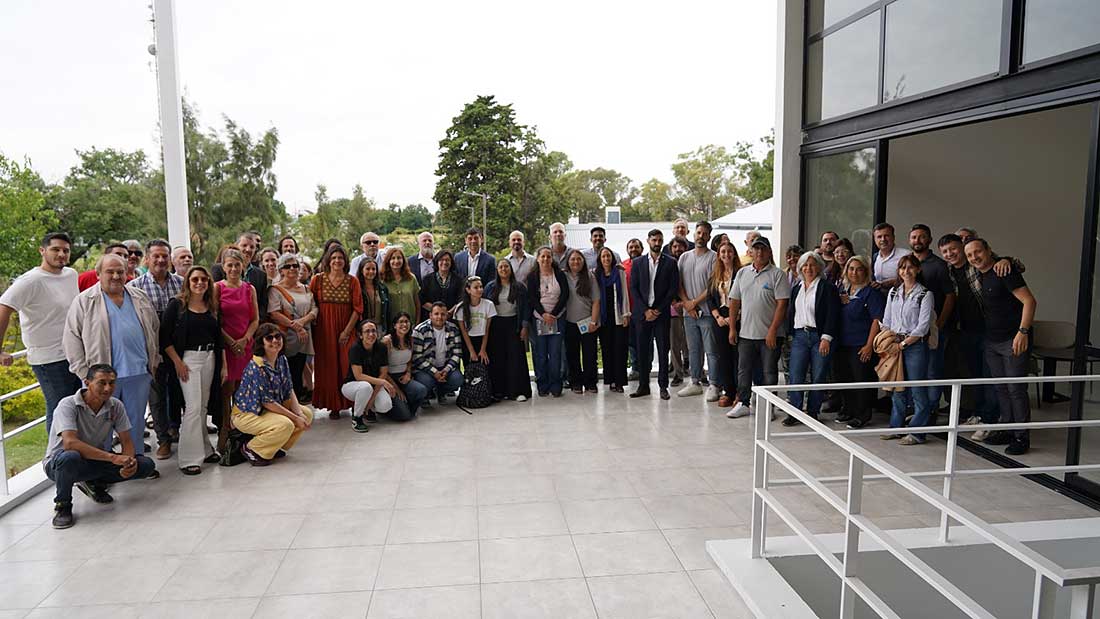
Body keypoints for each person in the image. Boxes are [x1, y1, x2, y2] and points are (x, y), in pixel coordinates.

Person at [64, 254, 161, 452]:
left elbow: (154, 328)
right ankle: (103, 466)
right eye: (110, 271)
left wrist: (154, 360)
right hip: (100, 378)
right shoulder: (84, 301)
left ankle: (133, 461)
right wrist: (84, 374)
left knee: (135, 424)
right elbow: (71, 339)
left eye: (120, 272)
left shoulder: (139, 296)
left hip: (138, 373)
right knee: (100, 427)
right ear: (98, 274)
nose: (116, 276)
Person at [43, 364, 158, 528]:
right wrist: (113, 458)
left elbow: (126, 440)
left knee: (146, 465)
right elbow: (70, 443)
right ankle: (63, 506)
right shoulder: (67, 405)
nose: (107, 388)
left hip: (96, 460)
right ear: (87, 383)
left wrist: (128, 462)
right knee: (70, 457)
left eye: (112, 383)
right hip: (61, 464)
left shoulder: (115, 405)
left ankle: (93, 482)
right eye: (101, 383)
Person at [0, 232, 81, 435]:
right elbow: (4, 308)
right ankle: (56, 453)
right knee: (59, 409)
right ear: (42, 251)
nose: (61, 254)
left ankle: (73, 451)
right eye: (55, 249)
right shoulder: (30, 280)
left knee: (75, 407)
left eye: (65, 250)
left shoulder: (71, 275)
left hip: (74, 354)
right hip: (48, 359)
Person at [965, 238, 1037, 455]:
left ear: (988, 250)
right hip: (992, 340)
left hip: (1013, 339)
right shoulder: (979, 275)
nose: (974, 257)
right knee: (1001, 388)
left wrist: (1022, 332)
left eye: (978, 252)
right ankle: (1006, 428)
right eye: (970, 255)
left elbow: (1029, 301)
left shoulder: (1005, 271)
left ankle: (1021, 437)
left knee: (1016, 389)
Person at [938, 234, 1008, 438]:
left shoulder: (977, 266)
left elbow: (1000, 263)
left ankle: (990, 419)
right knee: (975, 375)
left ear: (962, 247)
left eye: (953, 249)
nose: (950, 254)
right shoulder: (948, 270)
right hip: (966, 330)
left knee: (989, 376)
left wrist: (1007, 260)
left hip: (989, 330)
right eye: (945, 251)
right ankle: (980, 414)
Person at [160, 266, 223, 475]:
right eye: (195, 279)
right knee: (193, 408)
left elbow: (218, 338)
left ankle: (205, 449)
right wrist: (178, 362)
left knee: (202, 407)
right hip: (188, 360)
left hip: (209, 357)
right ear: (187, 282)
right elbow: (164, 338)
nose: (200, 283)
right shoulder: (177, 305)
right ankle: (188, 459)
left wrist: (223, 365)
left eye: (204, 279)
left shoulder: (211, 305)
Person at [128, 239, 185, 460]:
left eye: (164, 256)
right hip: (151, 350)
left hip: (178, 348)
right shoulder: (135, 287)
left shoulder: (181, 283)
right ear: (147, 259)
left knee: (179, 391)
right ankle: (163, 440)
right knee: (157, 396)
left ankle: (177, 429)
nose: (161, 260)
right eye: (156, 256)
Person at [231, 324, 314, 465]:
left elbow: (289, 388)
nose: (275, 340)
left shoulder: (282, 360)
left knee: (306, 414)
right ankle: (253, 448)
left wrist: (299, 414)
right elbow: (267, 402)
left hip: (267, 409)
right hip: (248, 414)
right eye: (269, 338)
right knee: (286, 424)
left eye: (278, 336)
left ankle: (273, 446)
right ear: (261, 343)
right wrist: (295, 417)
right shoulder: (257, 367)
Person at [726, 236, 790, 419]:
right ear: (751, 252)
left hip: (770, 335)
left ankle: (768, 406)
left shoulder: (778, 274)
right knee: (744, 370)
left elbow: (782, 305)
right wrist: (732, 328)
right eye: (756, 249)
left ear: (769, 252)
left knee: (769, 372)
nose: (759, 252)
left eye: (763, 249)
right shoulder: (742, 273)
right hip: (746, 334)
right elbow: (734, 301)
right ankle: (743, 403)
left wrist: (772, 330)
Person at [879, 254, 934, 445]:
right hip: (894, 344)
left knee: (917, 389)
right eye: (903, 268)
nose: (906, 271)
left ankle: (917, 433)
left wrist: (903, 344)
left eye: (910, 267)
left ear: (918, 269)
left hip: (914, 345)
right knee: (898, 388)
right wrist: (888, 340)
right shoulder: (893, 292)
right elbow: (886, 320)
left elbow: (923, 327)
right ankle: (896, 427)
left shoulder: (925, 294)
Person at [780, 252, 840, 427]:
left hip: (819, 337)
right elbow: (792, 312)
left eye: (813, 264)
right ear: (800, 268)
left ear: (819, 267)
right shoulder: (796, 288)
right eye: (805, 265)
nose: (808, 268)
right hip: (800, 336)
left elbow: (832, 314)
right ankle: (795, 412)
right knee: (795, 374)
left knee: (818, 375)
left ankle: (813, 412)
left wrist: (826, 338)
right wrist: (790, 333)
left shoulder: (827, 287)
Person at [310, 244, 363, 418]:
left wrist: (346, 332)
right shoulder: (317, 280)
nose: (337, 261)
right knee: (328, 367)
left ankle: (352, 402)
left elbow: (357, 309)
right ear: (328, 260)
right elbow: (311, 305)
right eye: (333, 258)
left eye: (340, 258)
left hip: (346, 329)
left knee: (347, 365)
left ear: (345, 261)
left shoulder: (352, 281)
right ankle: (334, 406)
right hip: (324, 331)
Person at [833, 255, 885, 429]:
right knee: (845, 378)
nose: (854, 272)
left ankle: (862, 415)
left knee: (861, 379)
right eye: (851, 269)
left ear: (866, 271)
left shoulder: (871, 292)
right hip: (842, 344)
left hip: (861, 344)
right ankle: (848, 410)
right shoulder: (843, 290)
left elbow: (877, 320)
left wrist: (869, 345)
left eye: (859, 269)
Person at [908, 224, 956, 412]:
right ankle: (917, 409)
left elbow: (950, 296)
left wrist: (939, 323)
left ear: (929, 240)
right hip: (912, 330)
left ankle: (932, 409)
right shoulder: (908, 263)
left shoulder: (939, 265)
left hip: (934, 328)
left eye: (922, 237)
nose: (917, 240)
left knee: (932, 370)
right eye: (914, 237)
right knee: (915, 371)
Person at [215, 249, 259, 448]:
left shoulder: (250, 289)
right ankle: (225, 431)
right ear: (223, 267)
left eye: (237, 265)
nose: (233, 268)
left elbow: (255, 319)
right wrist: (231, 342)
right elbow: (214, 319)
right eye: (229, 265)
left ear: (243, 266)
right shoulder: (217, 288)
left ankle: (243, 433)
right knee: (226, 393)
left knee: (243, 392)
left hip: (245, 346)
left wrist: (245, 339)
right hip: (226, 347)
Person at [629, 229, 679, 400]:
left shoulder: (670, 263)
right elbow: (633, 288)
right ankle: (643, 386)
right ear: (648, 241)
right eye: (654, 240)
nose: (657, 243)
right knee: (643, 351)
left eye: (659, 240)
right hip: (642, 314)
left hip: (661, 314)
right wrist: (645, 310)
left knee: (663, 350)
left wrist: (658, 310)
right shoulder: (638, 263)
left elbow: (672, 289)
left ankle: (663, 387)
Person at [677, 221, 722, 402]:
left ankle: (714, 385)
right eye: (698, 232)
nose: (700, 236)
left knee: (711, 351)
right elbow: (678, 283)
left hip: (707, 313)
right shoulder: (684, 257)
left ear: (709, 236)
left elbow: (712, 286)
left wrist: (694, 303)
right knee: (693, 350)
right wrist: (687, 304)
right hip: (689, 314)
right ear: (693, 234)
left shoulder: (714, 258)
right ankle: (695, 382)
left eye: (704, 233)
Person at [268, 253, 318, 400]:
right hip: (286, 338)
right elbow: (274, 313)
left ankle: (296, 407)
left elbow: (315, 309)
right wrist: (296, 327)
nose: (292, 269)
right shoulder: (275, 289)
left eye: (295, 265)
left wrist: (302, 323)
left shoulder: (306, 288)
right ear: (281, 270)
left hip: (304, 337)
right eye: (287, 266)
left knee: (298, 372)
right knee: (285, 374)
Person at [486, 259, 532, 401]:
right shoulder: (490, 287)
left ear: (511, 269)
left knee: (516, 358)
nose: (504, 269)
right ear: (497, 270)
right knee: (498, 358)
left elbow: (526, 307)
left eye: (506, 266)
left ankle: (517, 391)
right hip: (496, 325)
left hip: (514, 324)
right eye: (501, 267)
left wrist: (524, 326)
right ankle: (499, 391)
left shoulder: (519, 287)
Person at [527, 246, 570, 397]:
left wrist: (553, 314)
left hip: (558, 318)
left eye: (548, 256)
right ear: (538, 259)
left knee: (555, 353)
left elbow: (565, 294)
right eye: (543, 256)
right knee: (540, 354)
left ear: (552, 259)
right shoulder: (532, 276)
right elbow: (531, 297)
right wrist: (543, 314)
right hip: (539, 319)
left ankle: (556, 385)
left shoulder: (559, 274)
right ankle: (542, 385)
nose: (545, 259)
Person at [342, 320, 394, 432]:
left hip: (374, 384)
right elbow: (359, 376)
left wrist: (371, 400)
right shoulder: (355, 348)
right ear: (360, 335)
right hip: (352, 385)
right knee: (365, 387)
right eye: (367, 331)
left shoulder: (381, 347)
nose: (371, 334)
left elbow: (383, 373)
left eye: (373, 331)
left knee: (385, 406)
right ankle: (357, 418)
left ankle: (367, 409)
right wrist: (383, 382)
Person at [707, 240, 742, 407]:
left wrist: (734, 317)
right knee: (723, 357)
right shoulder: (715, 275)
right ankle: (728, 392)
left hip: (738, 318)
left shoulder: (741, 273)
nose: (726, 254)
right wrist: (718, 317)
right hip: (719, 320)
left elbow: (745, 297)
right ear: (719, 255)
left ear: (734, 254)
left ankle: (740, 393)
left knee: (738, 357)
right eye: (723, 252)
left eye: (729, 251)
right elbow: (710, 299)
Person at [562, 249, 601, 394]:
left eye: (579, 259)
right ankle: (576, 382)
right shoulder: (563, 276)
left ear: (583, 261)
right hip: (569, 322)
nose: (576, 262)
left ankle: (591, 382)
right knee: (572, 354)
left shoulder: (590, 276)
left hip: (587, 322)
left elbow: (596, 301)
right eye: (572, 259)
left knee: (590, 355)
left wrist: (593, 322)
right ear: (568, 261)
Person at [412, 303, 465, 403]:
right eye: (436, 314)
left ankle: (441, 392)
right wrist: (434, 372)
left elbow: (457, 354)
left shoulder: (453, 329)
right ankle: (426, 394)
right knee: (426, 382)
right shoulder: (420, 330)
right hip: (425, 369)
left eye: (443, 314)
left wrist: (446, 369)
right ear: (430, 315)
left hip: (445, 367)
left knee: (458, 379)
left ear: (447, 315)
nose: (439, 317)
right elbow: (417, 357)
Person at [595, 246, 629, 393]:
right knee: (607, 350)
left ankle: (619, 382)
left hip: (618, 317)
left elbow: (625, 294)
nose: (606, 259)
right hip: (603, 319)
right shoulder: (596, 274)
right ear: (599, 259)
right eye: (603, 256)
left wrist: (626, 314)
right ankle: (611, 381)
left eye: (608, 256)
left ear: (612, 258)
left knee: (620, 350)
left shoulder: (620, 272)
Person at [382, 312, 429, 420]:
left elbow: (409, 361)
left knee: (421, 390)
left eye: (407, 321)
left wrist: (408, 373)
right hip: (388, 378)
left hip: (403, 377)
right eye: (401, 322)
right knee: (405, 416)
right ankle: (388, 410)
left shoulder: (410, 340)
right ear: (394, 325)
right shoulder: (387, 341)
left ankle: (404, 408)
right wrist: (396, 389)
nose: (404, 324)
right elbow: (381, 369)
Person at [213, 233, 268, 315]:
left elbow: (263, 304)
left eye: (252, 247)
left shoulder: (261, 275)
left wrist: (256, 321)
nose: (248, 249)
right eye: (244, 245)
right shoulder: (218, 268)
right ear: (236, 246)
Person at [454, 275, 496, 369]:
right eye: (476, 287)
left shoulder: (489, 305)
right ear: (468, 290)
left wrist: (483, 349)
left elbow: (487, 329)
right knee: (470, 370)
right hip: (468, 342)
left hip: (484, 341)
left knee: (485, 369)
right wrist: (471, 351)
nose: (480, 289)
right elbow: (463, 331)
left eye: (481, 287)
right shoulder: (461, 308)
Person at [667, 237, 690, 388]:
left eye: (680, 246)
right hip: (673, 307)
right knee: (674, 342)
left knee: (692, 343)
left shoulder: (690, 262)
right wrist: (673, 302)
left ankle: (698, 373)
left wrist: (688, 302)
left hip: (691, 306)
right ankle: (677, 373)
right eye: (675, 247)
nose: (677, 249)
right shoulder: (668, 263)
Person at [382, 247, 421, 326]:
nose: (396, 261)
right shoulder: (382, 279)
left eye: (399, 258)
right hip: (391, 324)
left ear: (403, 260)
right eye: (393, 258)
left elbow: (417, 302)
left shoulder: (411, 278)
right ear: (388, 261)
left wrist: (417, 322)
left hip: (410, 323)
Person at [624, 238, 644, 381]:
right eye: (631, 247)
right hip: (628, 310)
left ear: (642, 249)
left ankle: (645, 368)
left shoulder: (647, 263)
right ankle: (635, 368)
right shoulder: (623, 265)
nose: (633, 249)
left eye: (636, 247)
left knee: (644, 341)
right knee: (631, 342)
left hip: (643, 310)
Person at [871, 223, 911, 289]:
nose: (883, 239)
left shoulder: (906, 255)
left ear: (893, 237)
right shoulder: (875, 257)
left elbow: (913, 278)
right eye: (879, 237)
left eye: (886, 236)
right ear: (875, 239)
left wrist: (895, 282)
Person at [420, 250, 460, 316]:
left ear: (451, 262)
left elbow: (460, 300)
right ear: (437, 262)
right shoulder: (427, 279)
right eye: (441, 260)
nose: (444, 262)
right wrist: (437, 312)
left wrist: (449, 313)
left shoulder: (458, 280)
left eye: (447, 260)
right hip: (431, 317)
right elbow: (422, 299)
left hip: (452, 316)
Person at [357, 259, 391, 336]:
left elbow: (388, 311)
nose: (371, 271)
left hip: (380, 329)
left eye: (373, 269)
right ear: (361, 270)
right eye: (368, 269)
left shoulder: (382, 288)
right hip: (363, 330)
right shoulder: (357, 288)